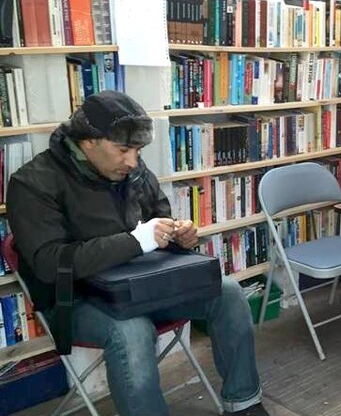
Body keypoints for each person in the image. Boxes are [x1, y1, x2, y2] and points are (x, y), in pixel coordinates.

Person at [6, 91, 268, 416]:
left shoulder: (131, 170)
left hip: (141, 283)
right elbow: (49, 263)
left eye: (138, 150)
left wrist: (179, 236)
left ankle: (243, 403)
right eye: (123, 150)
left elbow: (159, 218)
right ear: (88, 141)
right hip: (74, 299)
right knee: (131, 331)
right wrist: (135, 241)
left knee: (227, 292)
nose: (132, 161)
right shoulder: (33, 183)